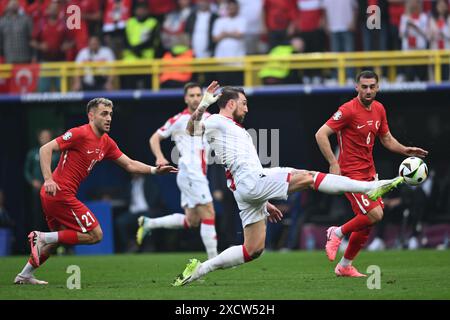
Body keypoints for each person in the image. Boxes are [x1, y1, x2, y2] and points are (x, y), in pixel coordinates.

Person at [172, 81, 404, 286]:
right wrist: (203, 104)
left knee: (253, 249)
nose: (247, 107)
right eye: (243, 102)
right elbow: (191, 130)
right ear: (231, 104)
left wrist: (263, 202)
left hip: (246, 189)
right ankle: (370, 187)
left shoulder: (232, 129)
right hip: (252, 182)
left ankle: (201, 269)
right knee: (309, 177)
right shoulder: (218, 121)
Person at [14, 98, 177, 285]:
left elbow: (130, 164)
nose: (109, 118)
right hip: (59, 193)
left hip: (55, 196)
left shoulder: (106, 142)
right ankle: (41, 237)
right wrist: (48, 179)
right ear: (91, 116)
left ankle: (25, 274)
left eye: (110, 114)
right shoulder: (80, 133)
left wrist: (155, 170)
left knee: (55, 241)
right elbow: (45, 149)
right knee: (95, 235)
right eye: (104, 114)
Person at [315, 70, 428, 277]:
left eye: (372, 86)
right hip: (350, 174)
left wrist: (406, 150)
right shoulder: (347, 110)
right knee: (375, 214)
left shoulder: (379, 109)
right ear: (356, 87)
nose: (368, 90)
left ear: (378, 87)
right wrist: (333, 162)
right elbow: (321, 134)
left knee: (367, 223)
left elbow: (386, 139)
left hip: (370, 173)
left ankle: (344, 266)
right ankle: (337, 232)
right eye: (364, 86)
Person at [137, 82, 218, 259]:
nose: (196, 98)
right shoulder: (178, 119)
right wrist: (159, 157)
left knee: (192, 221)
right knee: (209, 213)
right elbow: (154, 138)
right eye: (192, 95)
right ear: (185, 98)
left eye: (198, 95)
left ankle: (150, 223)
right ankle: (214, 261)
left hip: (196, 173)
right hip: (191, 171)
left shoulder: (210, 118)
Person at [24, 129, 59, 232]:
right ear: (39, 138)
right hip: (37, 190)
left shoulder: (56, 155)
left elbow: (60, 170)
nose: (45, 139)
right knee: (37, 215)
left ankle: (57, 243)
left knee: (54, 215)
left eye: (47, 137)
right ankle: (37, 240)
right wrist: (32, 181)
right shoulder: (33, 153)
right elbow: (26, 171)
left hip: (52, 190)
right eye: (43, 137)